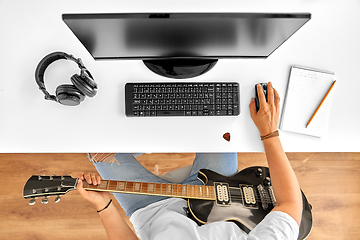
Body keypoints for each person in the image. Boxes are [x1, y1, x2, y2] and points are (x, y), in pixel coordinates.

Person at [76, 82, 302, 240]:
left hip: (150, 209)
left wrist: (103, 206)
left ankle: (141, 140)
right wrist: (269, 132)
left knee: (97, 146)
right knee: (220, 112)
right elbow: (290, 205)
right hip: (217, 191)